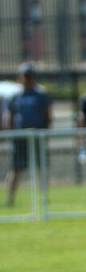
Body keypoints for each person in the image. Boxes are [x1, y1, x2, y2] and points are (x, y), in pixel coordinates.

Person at [3, 63, 51, 208]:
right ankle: (10, 198)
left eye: (29, 76)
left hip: (37, 135)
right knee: (16, 168)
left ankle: (44, 199)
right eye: (25, 76)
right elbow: (9, 116)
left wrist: (46, 132)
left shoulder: (41, 95)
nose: (27, 79)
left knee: (41, 167)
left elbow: (48, 115)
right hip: (20, 137)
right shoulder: (15, 96)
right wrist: (11, 133)